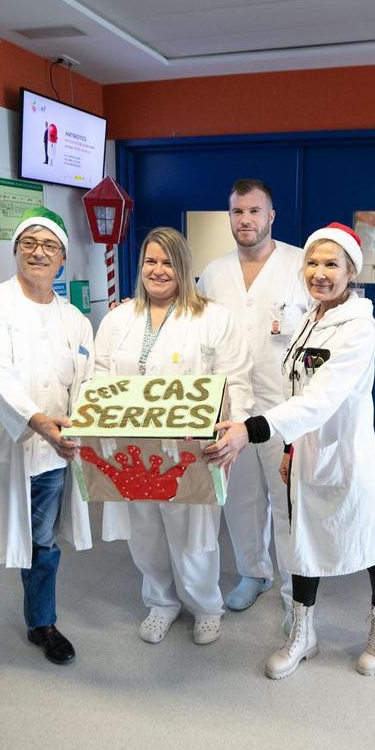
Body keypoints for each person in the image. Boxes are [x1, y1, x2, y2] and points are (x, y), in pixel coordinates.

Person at [206, 222, 375, 679]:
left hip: (344, 452)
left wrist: (252, 429)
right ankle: (303, 632)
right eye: (312, 262)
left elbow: (319, 399)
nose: (318, 272)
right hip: (304, 448)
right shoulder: (312, 316)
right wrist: (285, 441)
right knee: (302, 541)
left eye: (331, 264)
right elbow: (294, 384)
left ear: (351, 271)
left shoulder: (357, 328)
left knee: (368, 538)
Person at [0, 207, 95, 727]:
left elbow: (88, 385)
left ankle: (42, 625)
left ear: (62, 258)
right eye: (28, 242)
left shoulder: (75, 319)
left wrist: (82, 427)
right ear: (16, 251)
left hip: (51, 455)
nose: (37, 252)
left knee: (44, 547)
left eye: (48, 246)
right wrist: (36, 420)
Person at [95, 226, 253, 645]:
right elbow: (98, 377)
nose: (158, 270)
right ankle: (161, 602)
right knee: (145, 530)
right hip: (134, 449)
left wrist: (235, 429)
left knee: (193, 533)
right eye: (150, 261)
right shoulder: (118, 319)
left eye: (167, 262)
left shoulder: (213, 317)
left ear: (183, 267)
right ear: (140, 266)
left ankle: (205, 606)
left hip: (190, 447)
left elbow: (236, 378)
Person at [196, 179, 312, 623]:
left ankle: (294, 595)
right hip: (231, 408)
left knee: (285, 503)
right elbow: (196, 328)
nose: (245, 220)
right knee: (240, 500)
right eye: (237, 212)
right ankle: (254, 572)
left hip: (283, 407)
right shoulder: (214, 271)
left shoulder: (300, 264)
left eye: (254, 211)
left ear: (271, 216)